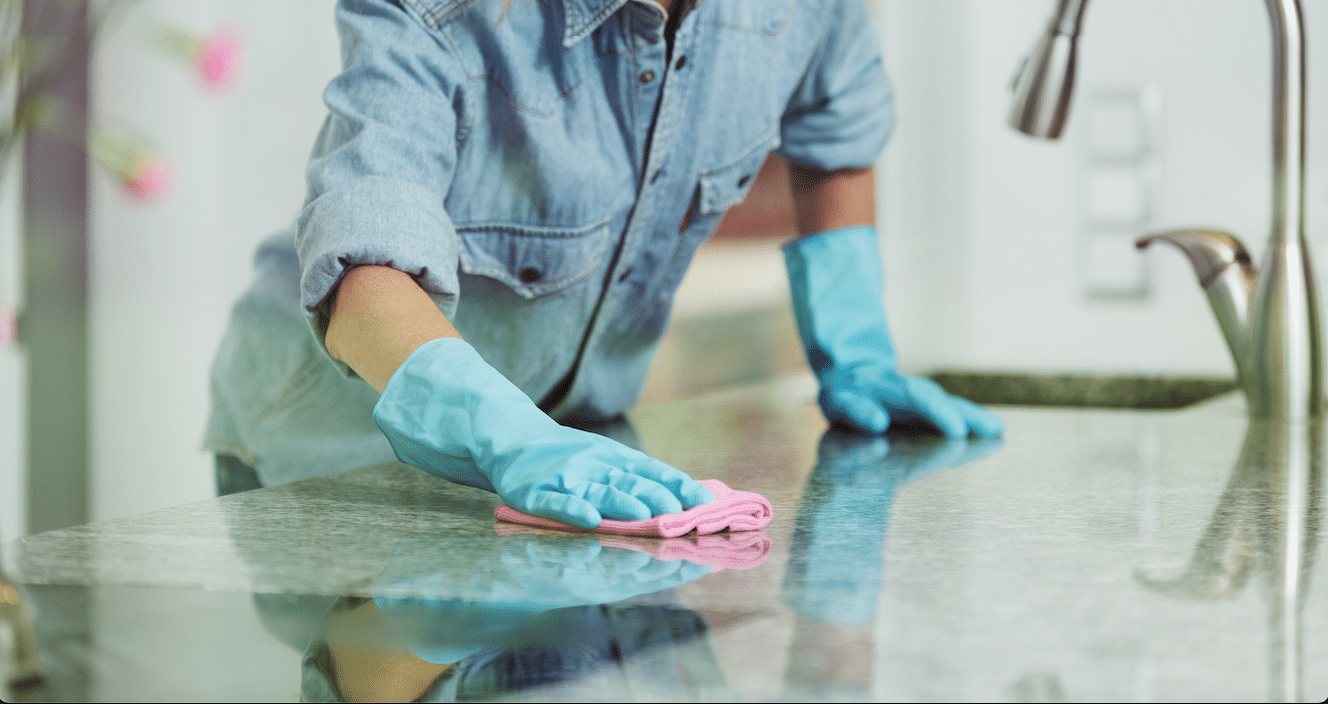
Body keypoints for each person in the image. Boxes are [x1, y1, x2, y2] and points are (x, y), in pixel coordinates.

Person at [205, 0, 1003, 527]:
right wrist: (501, 433)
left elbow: (835, 131)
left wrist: (855, 348)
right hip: (331, 458)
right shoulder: (435, 12)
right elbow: (364, 266)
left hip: (571, 445)